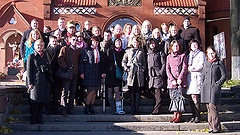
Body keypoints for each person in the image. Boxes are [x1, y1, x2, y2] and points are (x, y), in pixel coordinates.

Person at [201, 46, 226, 133]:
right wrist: (202, 83)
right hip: (206, 87)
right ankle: (211, 126)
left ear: (215, 53)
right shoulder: (206, 63)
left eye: (212, 53)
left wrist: (217, 84)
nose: (211, 55)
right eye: (209, 53)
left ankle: (216, 127)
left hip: (214, 88)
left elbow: (224, 76)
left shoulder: (219, 62)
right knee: (208, 107)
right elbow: (203, 74)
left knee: (213, 106)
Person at [80, 36, 106, 115]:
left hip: (96, 73)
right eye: (94, 41)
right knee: (90, 91)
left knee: (95, 91)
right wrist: (82, 72)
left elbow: (100, 64)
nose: (95, 43)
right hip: (89, 73)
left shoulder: (99, 51)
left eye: (97, 42)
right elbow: (81, 63)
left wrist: (102, 72)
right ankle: (87, 108)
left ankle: (92, 107)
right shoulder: (86, 50)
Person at [27, 39, 51, 124]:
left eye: (41, 45)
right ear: (35, 46)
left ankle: (39, 119)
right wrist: (30, 82)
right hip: (35, 81)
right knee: (35, 101)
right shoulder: (32, 56)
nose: (39, 47)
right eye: (38, 45)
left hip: (44, 80)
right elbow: (29, 70)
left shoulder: (45, 55)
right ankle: (33, 119)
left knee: (42, 101)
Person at [122, 36, 146, 115]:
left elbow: (144, 62)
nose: (136, 44)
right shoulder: (128, 51)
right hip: (131, 73)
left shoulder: (141, 51)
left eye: (137, 42)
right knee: (131, 91)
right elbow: (124, 62)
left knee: (138, 91)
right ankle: (132, 108)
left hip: (139, 73)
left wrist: (143, 68)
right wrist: (126, 68)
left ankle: (137, 107)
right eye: (134, 42)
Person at [58, 35, 81, 116]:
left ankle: (70, 108)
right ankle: (63, 109)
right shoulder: (65, 49)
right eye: (73, 39)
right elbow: (60, 59)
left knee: (73, 92)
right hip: (67, 73)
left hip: (75, 73)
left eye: (76, 40)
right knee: (65, 91)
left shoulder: (78, 51)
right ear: (70, 40)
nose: (75, 41)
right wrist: (66, 67)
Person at [166, 40, 188, 123]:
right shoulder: (168, 57)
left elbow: (184, 68)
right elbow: (167, 69)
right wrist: (172, 79)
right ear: (171, 47)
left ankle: (179, 115)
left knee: (180, 98)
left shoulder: (182, 56)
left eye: (177, 46)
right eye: (174, 46)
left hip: (180, 81)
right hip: (172, 82)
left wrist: (180, 79)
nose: (176, 47)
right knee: (173, 98)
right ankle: (174, 115)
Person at [186, 39, 206, 123]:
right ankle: (193, 115)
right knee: (191, 97)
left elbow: (202, 65)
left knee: (195, 97)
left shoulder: (201, 54)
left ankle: (198, 116)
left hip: (197, 76)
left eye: (195, 44)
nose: (194, 46)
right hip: (190, 77)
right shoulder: (189, 55)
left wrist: (192, 68)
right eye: (192, 45)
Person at [105, 38, 125, 114]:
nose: (118, 43)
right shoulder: (110, 51)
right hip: (110, 73)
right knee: (109, 91)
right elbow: (105, 62)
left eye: (119, 42)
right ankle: (113, 107)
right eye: (117, 42)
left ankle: (118, 108)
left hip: (118, 74)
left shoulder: (123, 52)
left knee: (117, 91)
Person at [146, 38, 166, 115]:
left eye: (153, 43)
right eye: (151, 44)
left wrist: (160, 72)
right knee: (153, 93)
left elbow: (163, 63)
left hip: (158, 75)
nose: (152, 45)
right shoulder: (148, 53)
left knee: (158, 93)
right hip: (151, 76)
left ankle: (157, 109)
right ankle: (154, 107)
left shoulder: (160, 52)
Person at [45, 36, 63, 115]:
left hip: (57, 73)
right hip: (49, 73)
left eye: (56, 41)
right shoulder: (46, 51)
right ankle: (48, 109)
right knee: (48, 93)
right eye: (53, 41)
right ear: (50, 42)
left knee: (56, 92)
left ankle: (55, 108)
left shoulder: (60, 49)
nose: (54, 42)